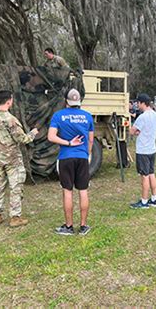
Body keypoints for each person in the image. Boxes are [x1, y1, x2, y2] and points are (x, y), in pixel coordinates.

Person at [0, 90, 39, 227]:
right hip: (13, 159)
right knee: (16, 187)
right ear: (9, 101)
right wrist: (33, 132)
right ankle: (15, 218)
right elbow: (23, 139)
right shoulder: (11, 120)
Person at [48, 88, 94, 236]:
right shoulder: (87, 116)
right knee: (83, 190)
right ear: (79, 101)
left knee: (67, 191)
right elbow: (91, 139)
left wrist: (68, 143)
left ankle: (68, 226)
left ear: (66, 101)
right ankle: (83, 226)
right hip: (82, 157)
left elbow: (51, 137)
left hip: (65, 157)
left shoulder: (58, 116)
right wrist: (87, 153)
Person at [129, 93, 156, 209]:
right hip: (152, 149)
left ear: (143, 103)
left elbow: (132, 131)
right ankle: (154, 199)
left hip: (143, 151)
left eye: (138, 103)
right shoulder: (155, 115)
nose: (137, 105)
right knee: (151, 173)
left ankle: (144, 202)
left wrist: (129, 127)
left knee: (144, 176)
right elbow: (144, 130)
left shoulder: (142, 117)